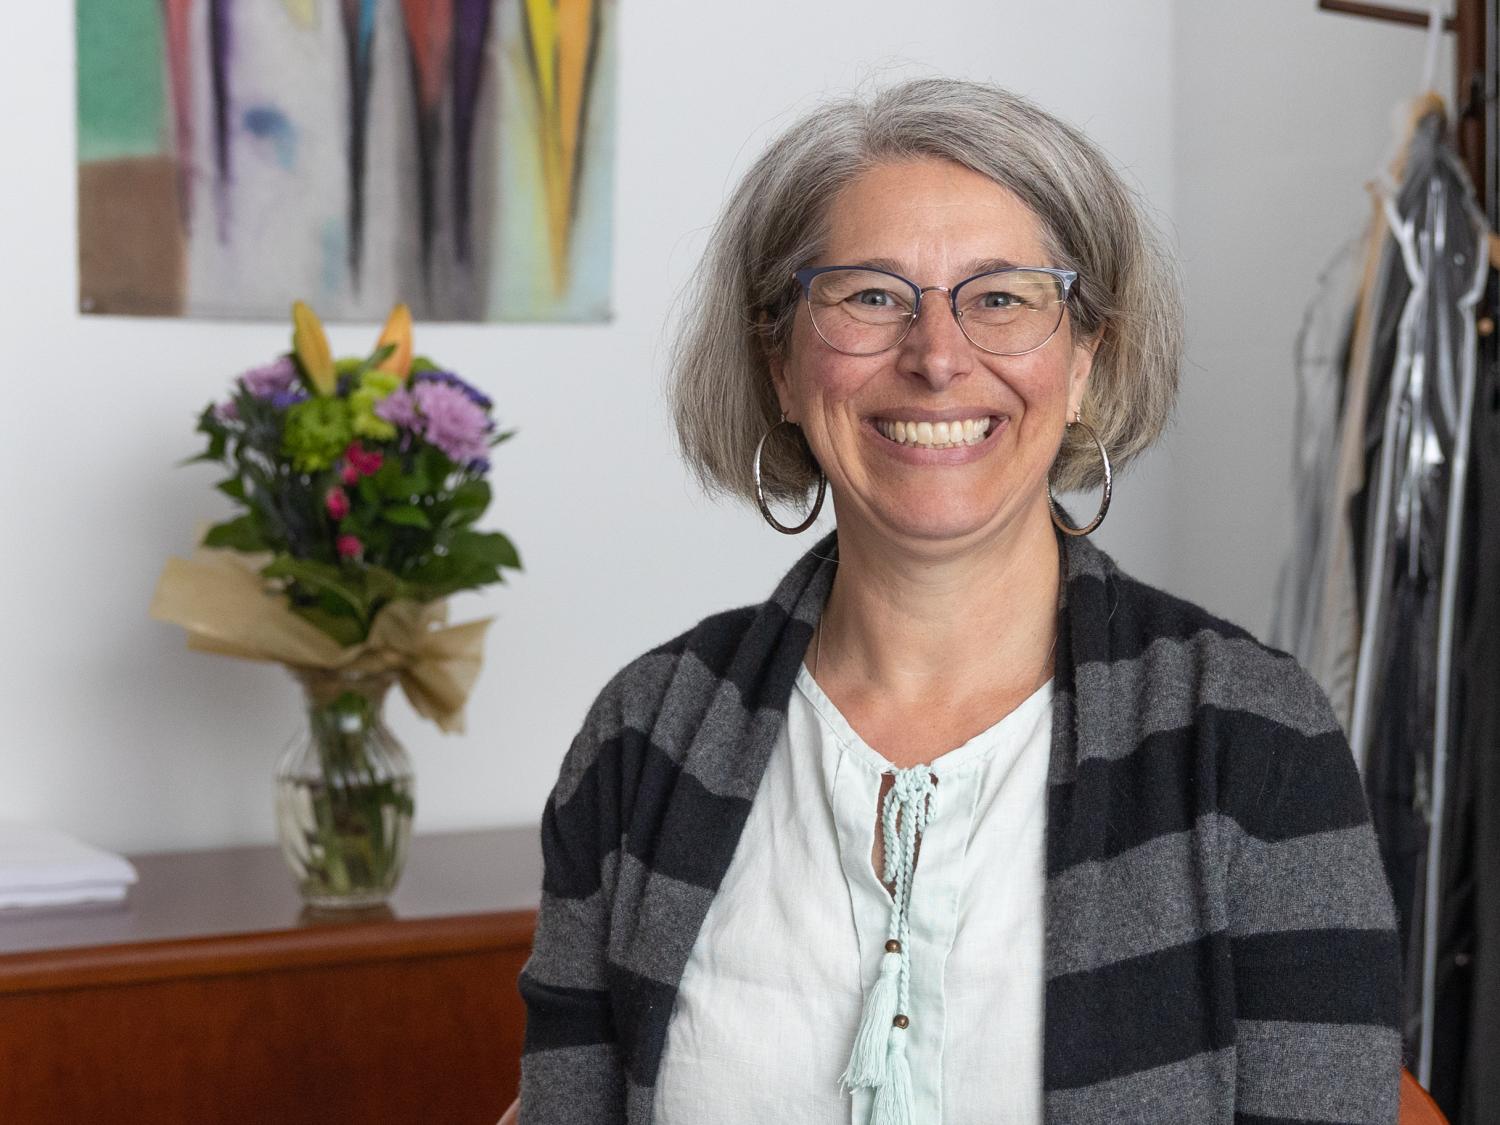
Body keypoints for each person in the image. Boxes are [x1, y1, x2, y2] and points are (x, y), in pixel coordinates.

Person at [513, 78, 1402, 1124]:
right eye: (869, 295)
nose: (937, 357)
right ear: (782, 365)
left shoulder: (1255, 740)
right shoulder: (644, 740)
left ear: (1083, 361)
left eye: (1003, 297)